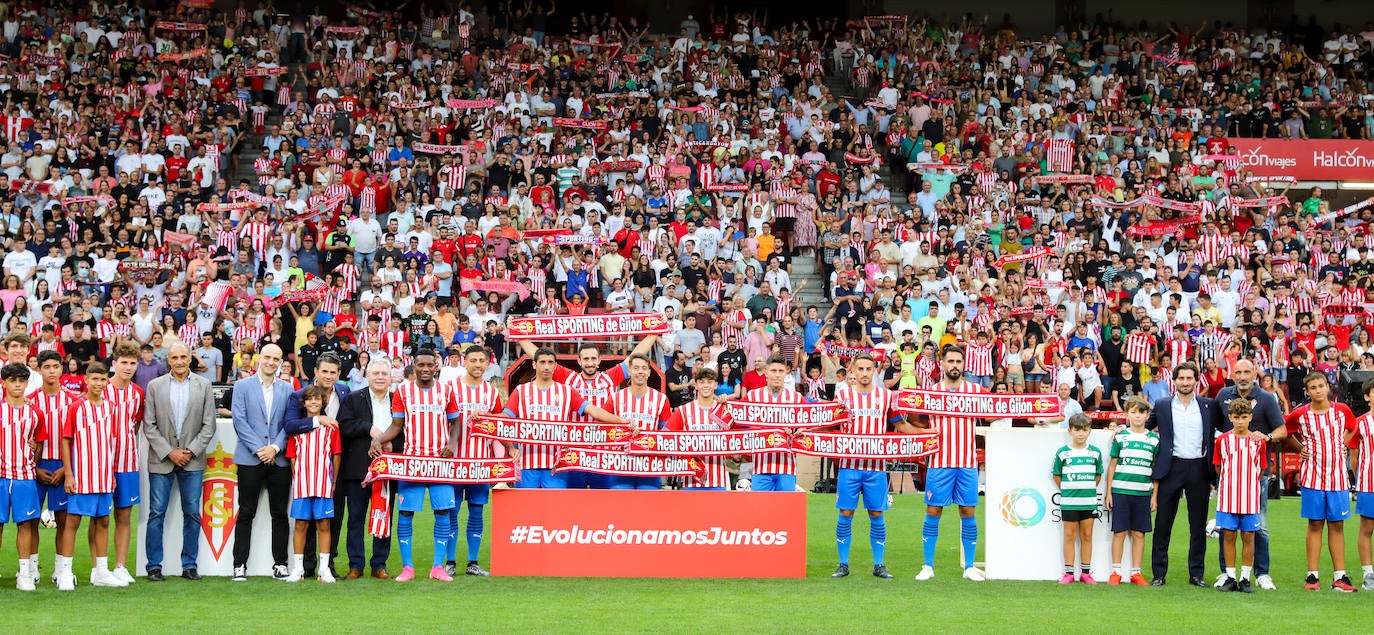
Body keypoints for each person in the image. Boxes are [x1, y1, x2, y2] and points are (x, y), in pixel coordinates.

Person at [515, 336, 659, 489]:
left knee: (602, 502)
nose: (589, 363)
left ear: (599, 360)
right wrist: (517, 334)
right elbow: (538, 356)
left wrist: (654, 333)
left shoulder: (609, 377)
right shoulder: (569, 378)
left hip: (603, 453)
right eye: (586, 359)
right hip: (575, 453)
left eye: (593, 358)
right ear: (579, 361)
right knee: (574, 503)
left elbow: (634, 358)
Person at [371, 348, 461, 582]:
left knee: (443, 512)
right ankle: (408, 568)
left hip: (440, 463)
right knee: (406, 513)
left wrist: (451, 443)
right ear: (414, 365)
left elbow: (456, 423)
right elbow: (396, 426)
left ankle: (437, 567)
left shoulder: (446, 391)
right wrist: (377, 440)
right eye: (420, 365)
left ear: (436, 366)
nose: (425, 369)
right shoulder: (403, 391)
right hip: (412, 462)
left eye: (429, 365)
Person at [142, 342, 217, 582]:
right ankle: (154, 566)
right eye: (175, 357)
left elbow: (209, 424)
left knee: (193, 513)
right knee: (156, 514)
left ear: (190, 358)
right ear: (169, 360)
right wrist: (169, 452)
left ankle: (189, 565)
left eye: (184, 356)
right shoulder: (155, 386)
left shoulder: (204, 385)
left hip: (192, 461)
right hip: (162, 460)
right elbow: (149, 425)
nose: (180, 361)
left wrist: (191, 451)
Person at [912, 345, 988, 582]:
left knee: (968, 510)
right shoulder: (931, 392)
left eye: (958, 361)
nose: (955, 365)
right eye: (950, 361)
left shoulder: (975, 391)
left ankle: (970, 567)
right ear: (942, 364)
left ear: (963, 364)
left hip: (966, 461)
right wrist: (925, 429)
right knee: (934, 509)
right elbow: (914, 416)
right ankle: (928, 566)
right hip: (939, 461)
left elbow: (996, 410)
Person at [500, 347, 625, 489]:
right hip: (527, 463)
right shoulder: (521, 391)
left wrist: (622, 421)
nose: (546, 366)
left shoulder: (566, 391)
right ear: (534, 364)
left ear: (555, 366)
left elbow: (594, 411)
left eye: (550, 362)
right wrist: (510, 447)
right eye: (542, 362)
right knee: (527, 509)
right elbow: (503, 421)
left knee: (555, 509)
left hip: (557, 465)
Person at [1147, 361, 1224, 587]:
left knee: (1198, 525)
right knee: (1163, 523)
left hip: (1199, 468)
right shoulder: (1162, 405)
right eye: (1181, 378)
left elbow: (1225, 429)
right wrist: (1120, 429)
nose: (1185, 382)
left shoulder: (1209, 405)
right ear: (1174, 380)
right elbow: (1144, 426)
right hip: (1170, 468)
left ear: (1196, 380)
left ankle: (1196, 574)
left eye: (1189, 378)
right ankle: (1159, 573)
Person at [1211, 359, 1286, 590]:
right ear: (1232, 374)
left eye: (1247, 372)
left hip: (1254, 478)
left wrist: (1267, 438)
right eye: (1239, 372)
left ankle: (1260, 573)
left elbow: (1281, 429)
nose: (1243, 376)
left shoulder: (1266, 398)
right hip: (1229, 472)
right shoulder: (1223, 395)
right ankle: (1227, 573)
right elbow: (1214, 426)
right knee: (1228, 529)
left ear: (1255, 373)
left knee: (1258, 527)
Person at [831, 353, 905, 580]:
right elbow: (827, 423)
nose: (864, 373)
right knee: (846, 512)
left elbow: (899, 424)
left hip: (875, 467)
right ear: (852, 370)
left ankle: (879, 564)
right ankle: (843, 564)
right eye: (860, 369)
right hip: (849, 465)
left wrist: (926, 434)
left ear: (875, 371)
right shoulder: (842, 396)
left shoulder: (885, 397)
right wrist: (805, 431)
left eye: (868, 369)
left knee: (876, 513)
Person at [1282, 372, 1358, 592]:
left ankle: (1340, 576)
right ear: (1307, 391)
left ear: (1328, 387)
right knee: (1315, 523)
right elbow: (1286, 431)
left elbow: (1353, 427)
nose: (1317, 390)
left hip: (1337, 477)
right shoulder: (1300, 414)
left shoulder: (1342, 410)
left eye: (1320, 386)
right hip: (1313, 477)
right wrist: (1300, 449)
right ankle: (1312, 576)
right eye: (1313, 387)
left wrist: (1343, 443)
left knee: (1337, 525)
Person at [442, 345, 508, 577]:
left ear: (488, 362)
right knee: (451, 511)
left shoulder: (491, 393)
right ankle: (450, 561)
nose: (478, 364)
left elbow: (498, 428)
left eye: (482, 360)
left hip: (480, 463)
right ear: (464, 361)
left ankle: (472, 562)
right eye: (473, 360)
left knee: (477, 511)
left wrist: (506, 454)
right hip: (454, 463)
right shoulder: (450, 388)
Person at [230, 343, 295, 581]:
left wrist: (275, 448)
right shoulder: (242, 386)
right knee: (246, 511)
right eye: (267, 357)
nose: (271, 362)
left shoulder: (287, 389)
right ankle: (239, 564)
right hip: (250, 459)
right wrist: (261, 450)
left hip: (278, 460)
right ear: (260, 358)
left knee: (279, 513)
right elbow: (239, 420)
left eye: (276, 359)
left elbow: (289, 423)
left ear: (280, 362)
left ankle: (280, 563)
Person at [282, 352, 349, 578]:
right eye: (324, 372)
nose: (328, 376)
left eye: (333, 372)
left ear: (338, 374)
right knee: (303, 522)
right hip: (305, 475)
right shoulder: (299, 395)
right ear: (316, 372)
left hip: (329, 472)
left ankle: (327, 566)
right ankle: (305, 565)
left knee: (330, 519)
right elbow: (290, 426)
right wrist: (317, 419)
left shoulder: (344, 392)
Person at [56, 362, 121, 590]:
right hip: (81, 475)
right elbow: (66, 440)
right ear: (86, 380)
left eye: (103, 379)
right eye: (94, 379)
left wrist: (112, 474)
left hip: (103, 475)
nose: (99, 384)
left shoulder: (111, 407)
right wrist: (69, 474)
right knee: (73, 521)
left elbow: (111, 442)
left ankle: (101, 571)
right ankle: (65, 572)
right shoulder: (76, 407)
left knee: (103, 521)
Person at [336, 360, 401, 579]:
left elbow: (405, 431)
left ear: (391, 377)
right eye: (376, 373)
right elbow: (343, 426)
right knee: (355, 517)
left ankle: (379, 565)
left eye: (384, 373)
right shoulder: (354, 398)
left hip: (388, 470)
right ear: (368, 376)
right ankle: (356, 565)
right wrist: (369, 429)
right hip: (358, 468)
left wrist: (393, 443)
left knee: (384, 516)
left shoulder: (398, 400)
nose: (380, 377)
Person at [26, 350, 72, 587]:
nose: (52, 371)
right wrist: (33, 468)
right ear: (39, 370)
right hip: (36, 466)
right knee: (31, 519)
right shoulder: (30, 401)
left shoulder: (73, 400)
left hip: (64, 466)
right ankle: (31, 569)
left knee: (64, 520)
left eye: (56, 366)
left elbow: (78, 440)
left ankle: (60, 569)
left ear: (62, 369)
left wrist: (67, 468)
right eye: (47, 367)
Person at [1104, 397, 1159, 587]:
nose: (1137, 416)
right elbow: (1112, 466)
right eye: (1133, 412)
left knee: (1139, 534)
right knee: (1119, 532)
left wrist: (1154, 495)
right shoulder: (1120, 436)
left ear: (1147, 415)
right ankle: (1116, 572)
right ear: (1127, 414)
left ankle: (1136, 572)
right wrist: (1109, 492)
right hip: (1120, 491)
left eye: (1141, 412)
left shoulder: (1154, 439)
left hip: (1143, 492)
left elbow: (1155, 469)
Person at [1213, 398, 1265, 593]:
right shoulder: (1222, 440)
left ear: (1250, 417)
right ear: (1230, 418)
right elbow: (1218, 467)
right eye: (1237, 417)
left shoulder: (1258, 442)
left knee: (1249, 536)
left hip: (1250, 498)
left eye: (1244, 417)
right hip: (1228, 497)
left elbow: (1260, 469)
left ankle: (1245, 577)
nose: (1241, 421)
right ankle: (1230, 577)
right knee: (1228, 535)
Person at [0, 362, 44, 591]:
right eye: (12, 380)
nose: (17, 385)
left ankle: (24, 572)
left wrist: (32, 459)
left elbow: (40, 443)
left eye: (21, 381)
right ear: (4, 383)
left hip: (24, 476)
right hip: (0, 476)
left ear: (27, 383)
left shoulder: (35, 413)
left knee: (25, 524)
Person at [104, 341, 145, 585]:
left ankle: (120, 565)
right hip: (102, 463)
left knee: (124, 515)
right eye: (124, 363)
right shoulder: (102, 389)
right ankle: (100, 566)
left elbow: (136, 425)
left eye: (132, 363)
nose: (128, 367)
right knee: (101, 517)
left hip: (128, 462)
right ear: (114, 364)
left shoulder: (138, 393)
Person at [606, 354, 672, 490]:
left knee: (648, 509)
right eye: (636, 368)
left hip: (649, 465)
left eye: (644, 368)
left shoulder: (661, 399)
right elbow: (602, 427)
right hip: (620, 464)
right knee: (620, 508)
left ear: (649, 372)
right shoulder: (615, 397)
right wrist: (622, 433)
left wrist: (648, 439)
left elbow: (667, 432)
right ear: (629, 371)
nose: (640, 371)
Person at [1051, 413, 1103, 584]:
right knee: (1069, 536)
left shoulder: (1095, 453)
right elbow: (1057, 476)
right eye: (1077, 430)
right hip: (1069, 502)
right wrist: (1068, 490)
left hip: (1088, 501)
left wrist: (1085, 489)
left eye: (1084, 430)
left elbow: (1098, 476)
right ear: (1070, 431)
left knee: (1087, 535)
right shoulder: (1063, 453)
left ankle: (1086, 573)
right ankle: (1068, 573)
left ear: (1089, 431)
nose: (1081, 434)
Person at [664, 366, 736, 490]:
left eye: (709, 382)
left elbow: (738, 438)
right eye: (701, 382)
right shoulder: (684, 410)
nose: (705, 385)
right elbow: (664, 437)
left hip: (718, 481)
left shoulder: (725, 410)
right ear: (696, 385)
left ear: (715, 385)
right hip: (691, 481)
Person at [744, 355, 805, 492]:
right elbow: (736, 419)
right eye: (773, 371)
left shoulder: (796, 398)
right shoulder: (752, 396)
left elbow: (806, 424)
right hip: (761, 465)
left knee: (785, 511)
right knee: (760, 511)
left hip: (787, 465)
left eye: (781, 371)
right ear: (766, 372)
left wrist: (799, 431)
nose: (777, 375)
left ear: (786, 373)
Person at [1346, 379, 1374, 590]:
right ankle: (1368, 573)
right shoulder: (1360, 424)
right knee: (1367, 528)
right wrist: (1360, 479)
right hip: (1369, 484)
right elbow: (1353, 456)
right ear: (1367, 397)